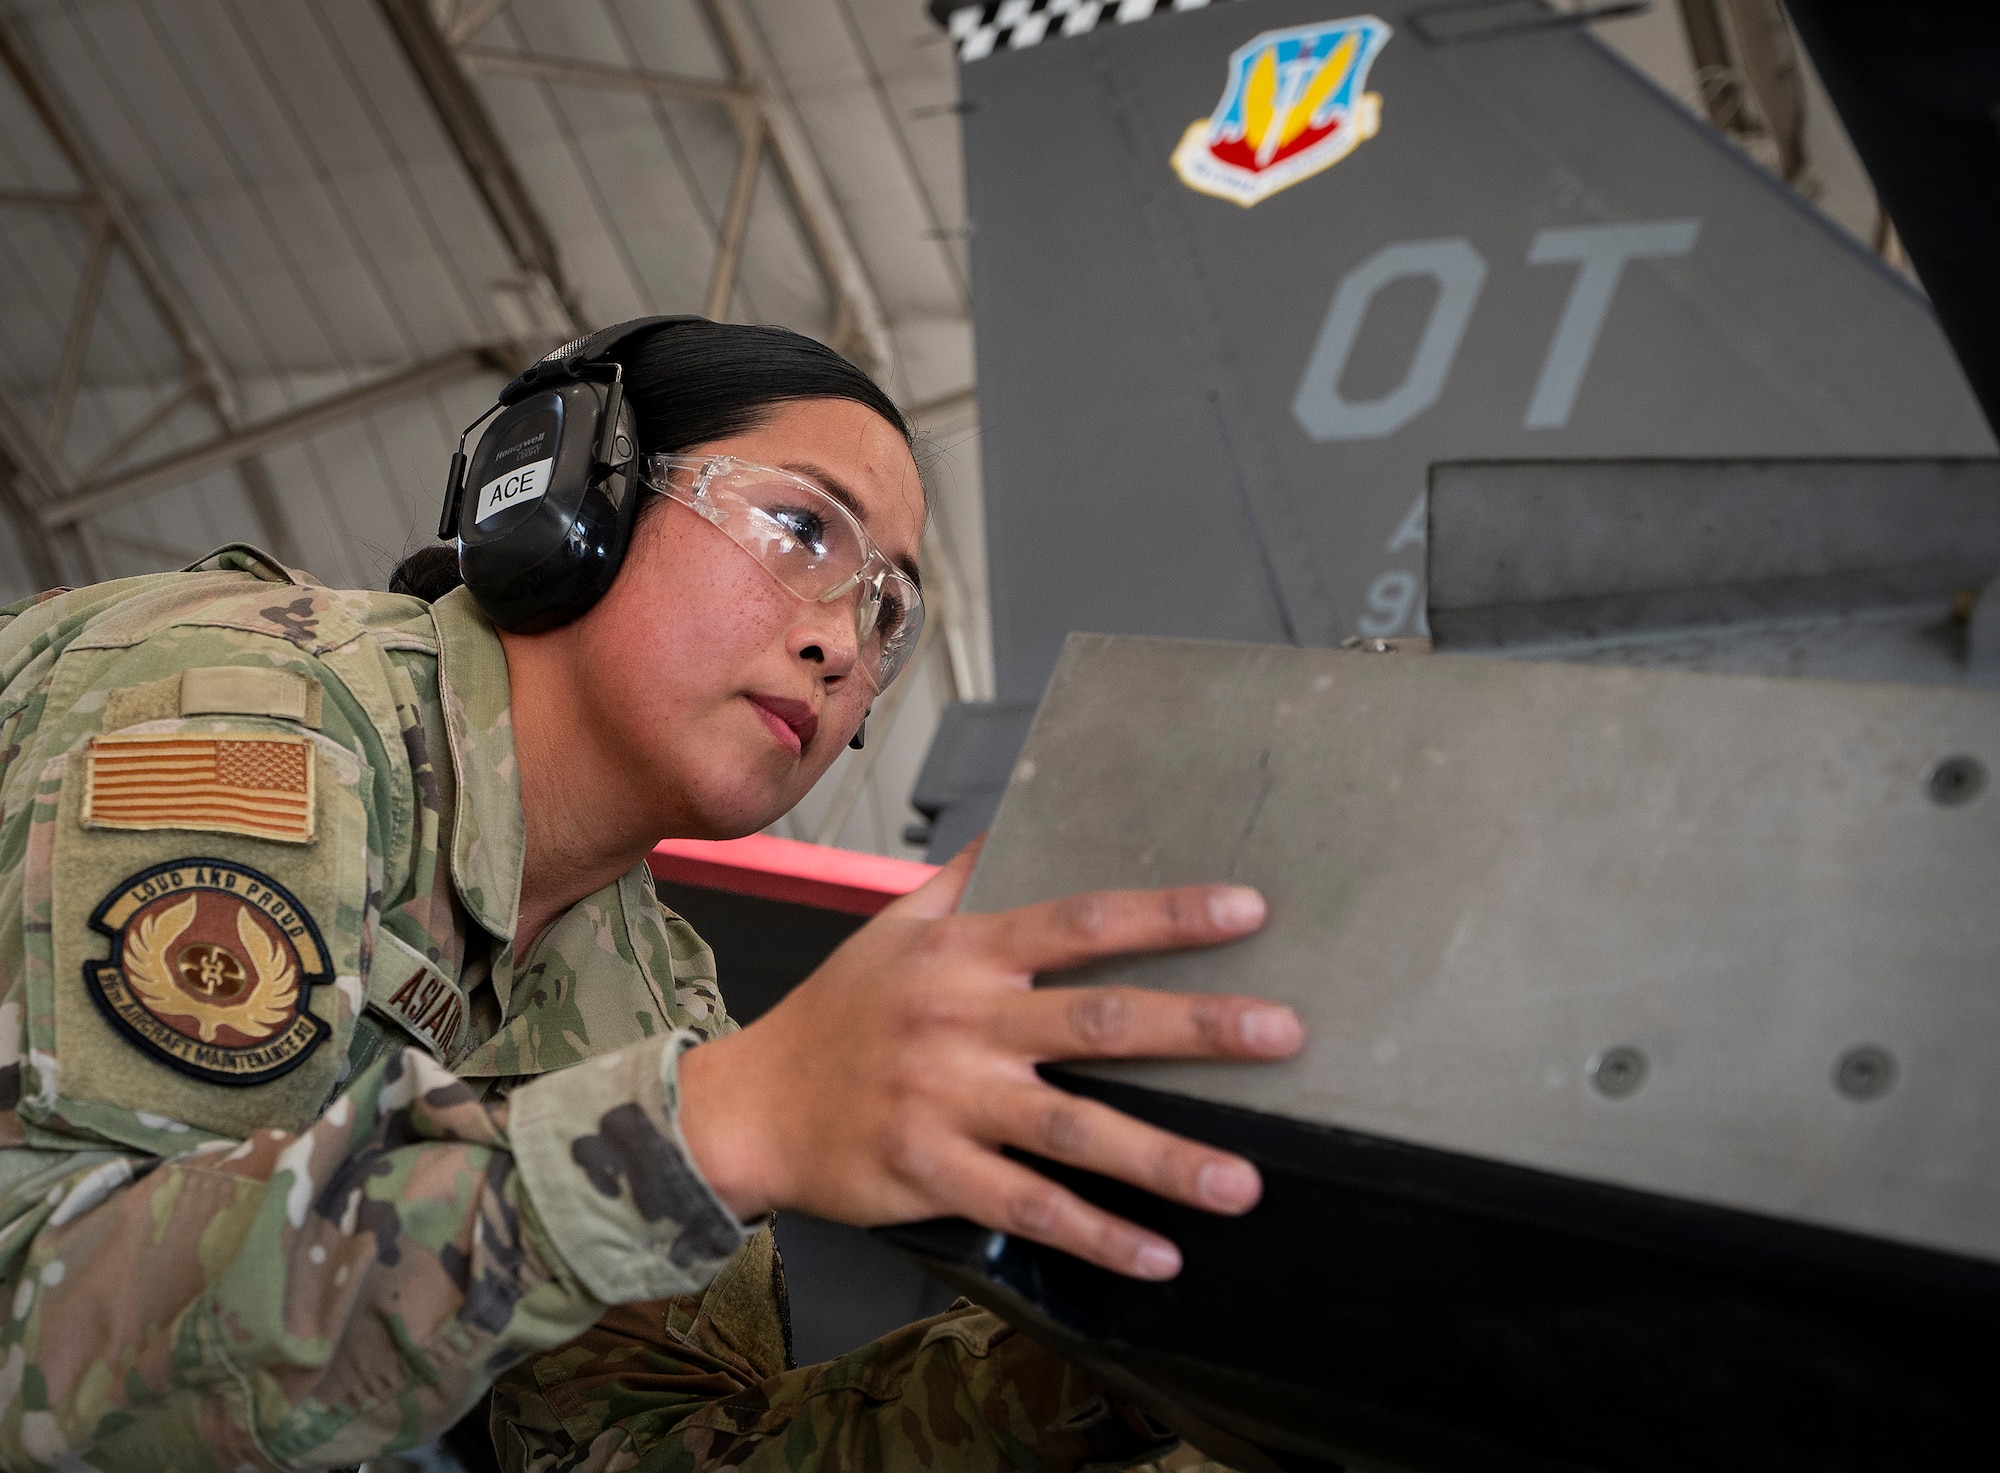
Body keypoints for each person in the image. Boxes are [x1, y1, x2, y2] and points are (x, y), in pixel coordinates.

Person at [0, 317, 1302, 1472]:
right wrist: (716, 1125)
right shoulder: (248, 716)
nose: (842, 641)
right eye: (802, 530)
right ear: (569, 494)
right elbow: (39, 1347)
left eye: (887, 608)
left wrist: (1130, 1351)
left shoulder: (646, 984)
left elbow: (644, 1452)